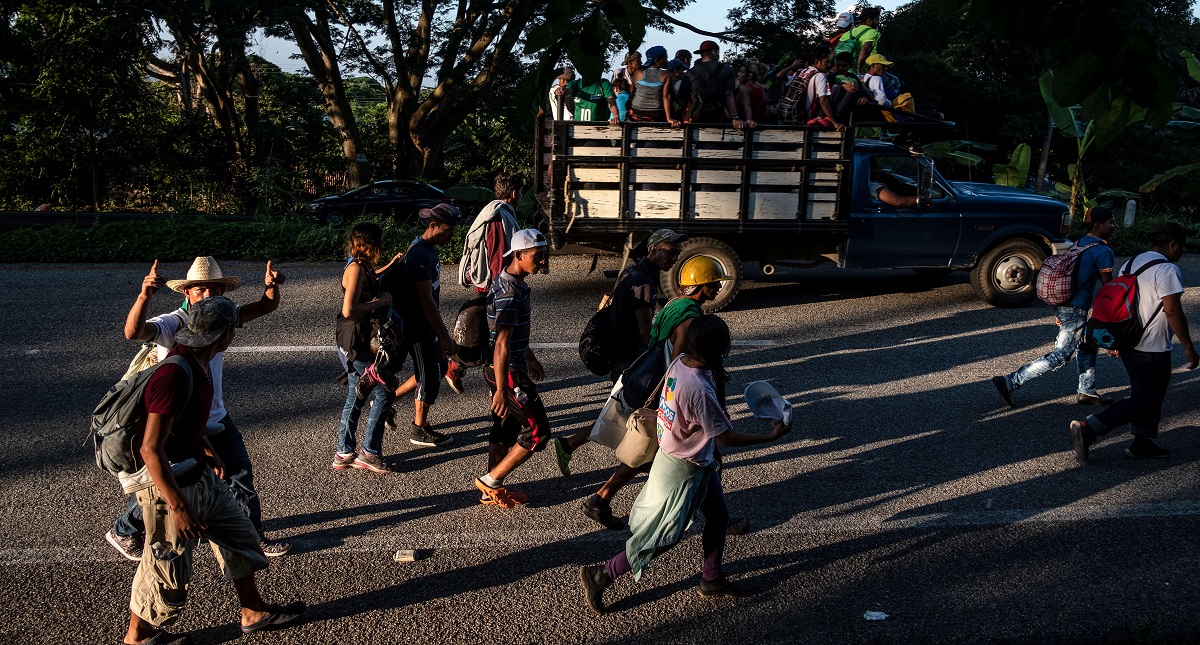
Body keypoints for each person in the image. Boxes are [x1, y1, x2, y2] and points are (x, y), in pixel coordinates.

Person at [122, 296, 304, 644]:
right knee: (165, 565)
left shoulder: (202, 364)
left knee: (240, 535)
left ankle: (253, 610)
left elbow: (182, 424)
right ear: (223, 336)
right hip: (170, 486)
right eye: (233, 328)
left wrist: (208, 448)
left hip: (199, 471)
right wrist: (178, 508)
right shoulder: (175, 373)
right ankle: (137, 637)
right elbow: (150, 447)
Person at [579, 315, 791, 614]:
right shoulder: (700, 391)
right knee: (664, 535)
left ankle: (712, 579)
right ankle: (602, 573)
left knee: (718, 517)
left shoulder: (680, 362)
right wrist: (769, 436)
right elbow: (726, 437)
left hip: (691, 460)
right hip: (684, 468)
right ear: (718, 347)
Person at [106, 256, 291, 562]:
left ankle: (251, 536)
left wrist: (270, 287)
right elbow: (133, 332)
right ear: (186, 293)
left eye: (214, 290)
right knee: (164, 482)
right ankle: (125, 529)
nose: (207, 296)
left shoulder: (222, 315)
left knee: (239, 475)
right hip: (179, 422)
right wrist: (144, 296)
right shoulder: (173, 323)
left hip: (215, 417)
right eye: (200, 290)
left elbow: (264, 307)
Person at [553, 256, 732, 530]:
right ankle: (716, 520)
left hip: (651, 382)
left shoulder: (675, 304)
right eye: (714, 283)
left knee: (647, 451)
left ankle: (600, 499)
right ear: (701, 285)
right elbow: (679, 361)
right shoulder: (690, 317)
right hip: (667, 390)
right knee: (697, 455)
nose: (718, 288)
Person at [1070, 222, 1199, 462]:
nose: (1183, 251)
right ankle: (1091, 428)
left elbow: (1120, 304)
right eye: (1183, 246)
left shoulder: (1132, 262)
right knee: (1146, 399)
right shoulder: (1167, 270)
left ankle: (1143, 443)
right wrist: (1189, 348)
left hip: (1130, 342)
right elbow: (1172, 311)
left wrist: (1117, 340)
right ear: (1172, 244)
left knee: (1147, 395)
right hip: (1153, 347)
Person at [992, 207, 1117, 407]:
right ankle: (1010, 382)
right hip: (1076, 309)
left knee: (1088, 346)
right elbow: (1109, 288)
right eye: (1111, 222)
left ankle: (1087, 391)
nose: (1114, 226)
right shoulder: (1103, 251)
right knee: (1061, 355)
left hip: (1065, 304)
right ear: (1098, 225)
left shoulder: (1080, 244)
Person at [475, 229, 552, 508]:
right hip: (507, 370)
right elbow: (501, 344)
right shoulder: (510, 293)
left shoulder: (509, 282)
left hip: (508, 365)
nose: (542, 261)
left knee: (505, 426)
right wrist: (502, 388)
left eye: (543, 255)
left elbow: (507, 334)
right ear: (519, 255)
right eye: (537, 256)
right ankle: (491, 481)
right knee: (538, 432)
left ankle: (490, 488)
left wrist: (529, 356)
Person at [390, 203, 462, 448]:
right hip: (417, 325)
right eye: (448, 230)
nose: (451, 235)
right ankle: (418, 428)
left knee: (436, 369)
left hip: (424, 324)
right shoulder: (420, 254)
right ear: (432, 226)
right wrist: (443, 336)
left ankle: (389, 399)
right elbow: (425, 300)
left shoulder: (429, 248)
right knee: (430, 375)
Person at [333, 222, 400, 473]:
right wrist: (380, 301)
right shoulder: (356, 270)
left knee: (356, 394)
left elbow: (368, 280)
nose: (381, 246)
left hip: (354, 338)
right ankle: (369, 453)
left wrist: (390, 266)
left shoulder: (360, 265)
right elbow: (348, 309)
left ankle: (343, 451)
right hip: (356, 339)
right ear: (369, 244)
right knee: (384, 392)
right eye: (379, 242)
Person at [451, 172, 523, 393]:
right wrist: (502, 289)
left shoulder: (492, 211)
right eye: (520, 192)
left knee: (488, 339)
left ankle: (496, 386)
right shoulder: (499, 217)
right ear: (513, 193)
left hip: (487, 286)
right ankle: (500, 389)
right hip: (493, 288)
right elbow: (498, 258)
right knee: (498, 340)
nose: (521, 196)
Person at [609, 229, 687, 380]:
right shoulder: (643, 282)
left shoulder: (632, 270)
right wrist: (660, 359)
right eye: (671, 252)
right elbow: (645, 331)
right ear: (653, 249)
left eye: (678, 253)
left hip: (620, 354)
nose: (675, 258)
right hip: (631, 358)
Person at [686, 40, 744, 128]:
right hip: (718, 115)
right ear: (714, 52)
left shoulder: (691, 72)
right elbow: (728, 95)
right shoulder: (726, 69)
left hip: (696, 116)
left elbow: (682, 99)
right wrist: (735, 117)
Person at [628, 45, 673, 123]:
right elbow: (666, 97)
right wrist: (669, 119)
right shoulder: (666, 75)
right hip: (656, 113)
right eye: (665, 58)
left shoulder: (638, 73)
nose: (666, 61)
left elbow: (632, 91)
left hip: (637, 111)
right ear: (656, 60)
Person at [841, 6, 881, 75]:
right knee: (893, 81)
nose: (878, 23)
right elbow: (864, 50)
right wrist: (859, 69)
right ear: (869, 20)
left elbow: (837, 49)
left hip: (847, 68)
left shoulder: (848, 33)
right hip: (867, 68)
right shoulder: (873, 32)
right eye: (876, 20)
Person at [735, 61, 768, 129]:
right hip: (759, 122)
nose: (738, 74)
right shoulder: (761, 88)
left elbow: (747, 104)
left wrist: (749, 119)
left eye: (742, 72)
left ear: (749, 76)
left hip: (743, 124)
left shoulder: (744, 88)